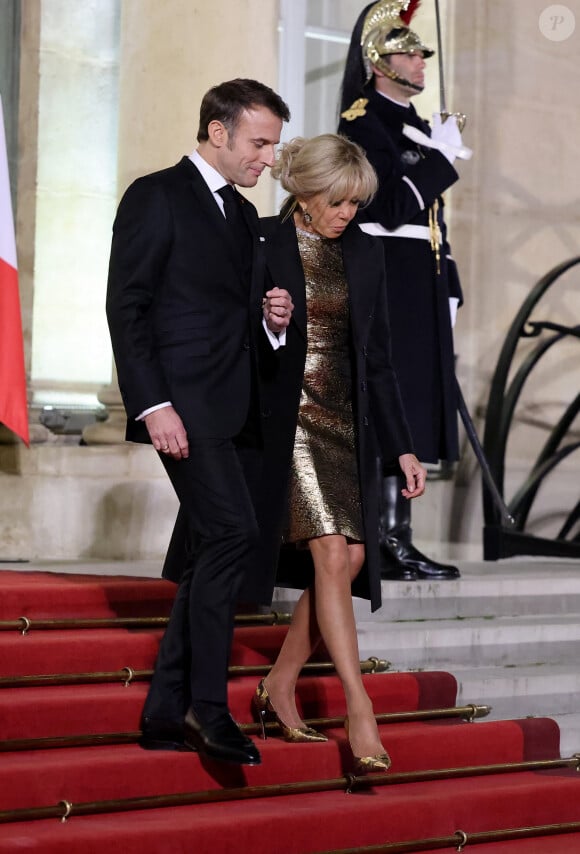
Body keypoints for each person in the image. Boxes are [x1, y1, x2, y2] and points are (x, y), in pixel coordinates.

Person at [106, 78, 292, 766]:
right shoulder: (155, 196)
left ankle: (164, 709)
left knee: (212, 550)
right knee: (233, 534)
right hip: (180, 407)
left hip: (235, 408)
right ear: (218, 131)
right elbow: (126, 309)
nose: (268, 157)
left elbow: (240, 321)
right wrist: (152, 405)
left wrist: (273, 324)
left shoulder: (244, 217)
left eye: (272, 144)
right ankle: (205, 707)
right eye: (259, 141)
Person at [254, 134, 426, 772]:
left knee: (352, 556)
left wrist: (403, 449)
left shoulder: (365, 252)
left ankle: (278, 682)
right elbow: (237, 335)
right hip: (287, 418)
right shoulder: (263, 242)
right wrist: (269, 321)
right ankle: (360, 707)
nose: (347, 213)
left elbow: (379, 359)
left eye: (355, 202)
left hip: (344, 422)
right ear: (303, 191)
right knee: (331, 550)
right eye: (337, 200)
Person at [338, 0, 467, 581]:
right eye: (408, 53)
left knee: (415, 400)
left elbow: (430, 220)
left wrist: (450, 276)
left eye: (420, 53)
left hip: (420, 276)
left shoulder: (414, 124)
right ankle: (384, 539)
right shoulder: (364, 123)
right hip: (388, 271)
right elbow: (386, 207)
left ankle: (400, 535)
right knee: (394, 398)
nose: (420, 61)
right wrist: (438, 160)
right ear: (378, 61)